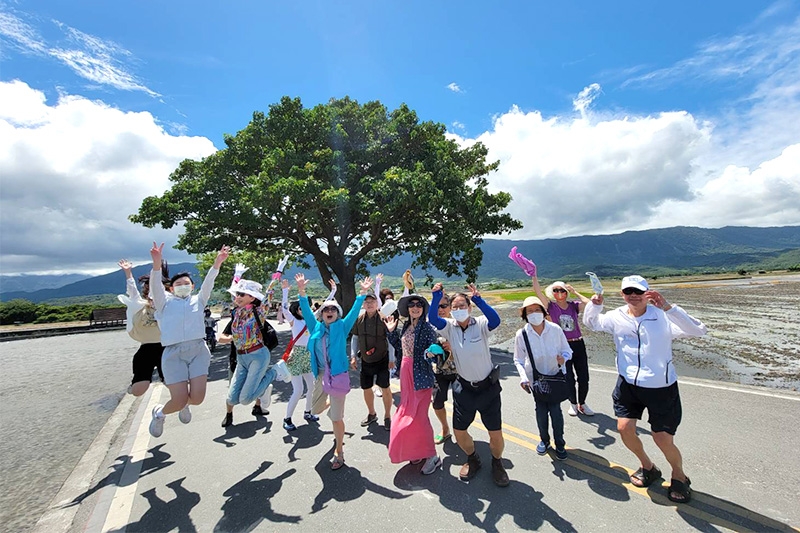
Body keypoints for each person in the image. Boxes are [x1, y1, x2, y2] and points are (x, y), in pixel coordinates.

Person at [582, 275, 708, 504]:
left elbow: (699, 330)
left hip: (661, 386)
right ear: (622, 294)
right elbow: (592, 323)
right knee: (624, 428)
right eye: (628, 291)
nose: (633, 296)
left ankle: (679, 476)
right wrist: (595, 305)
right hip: (628, 383)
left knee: (662, 439)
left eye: (638, 291)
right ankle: (648, 467)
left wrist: (669, 308)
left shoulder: (662, 317)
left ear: (648, 293)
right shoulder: (616, 316)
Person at [428, 283, 509, 487]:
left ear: (470, 307)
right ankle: (473, 458)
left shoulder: (480, 324)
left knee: (495, 433)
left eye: (461, 305)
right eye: (454, 307)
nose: (457, 309)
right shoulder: (449, 327)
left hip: (488, 389)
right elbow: (433, 319)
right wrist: (436, 297)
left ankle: (497, 463)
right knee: (459, 431)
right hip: (464, 388)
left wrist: (480, 299)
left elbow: (495, 320)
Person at [147, 242, 228, 438]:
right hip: (173, 354)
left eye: (186, 283)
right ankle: (159, 413)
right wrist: (156, 264)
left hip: (198, 350)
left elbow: (209, 283)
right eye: (178, 284)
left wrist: (218, 262)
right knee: (178, 399)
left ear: (192, 286)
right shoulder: (164, 303)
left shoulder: (198, 300)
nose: (182, 286)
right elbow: (155, 286)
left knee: (198, 399)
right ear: (171, 288)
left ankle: (184, 405)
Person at [296, 273, 372, 470]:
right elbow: (305, 311)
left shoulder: (342, 327)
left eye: (333, 309)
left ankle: (339, 451)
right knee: (314, 410)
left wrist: (362, 293)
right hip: (320, 375)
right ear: (321, 314)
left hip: (337, 376)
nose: (329, 311)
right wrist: (301, 291)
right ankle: (330, 402)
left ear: (337, 314)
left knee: (336, 418)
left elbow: (354, 312)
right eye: (326, 309)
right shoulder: (315, 328)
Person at [219, 279, 291, 420]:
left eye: (241, 294)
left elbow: (268, 297)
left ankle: (274, 372)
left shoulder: (258, 311)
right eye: (236, 294)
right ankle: (263, 387)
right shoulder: (236, 313)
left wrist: (275, 279)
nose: (237, 297)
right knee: (232, 399)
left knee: (245, 399)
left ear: (252, 297)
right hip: (241, 357)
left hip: (257, 355)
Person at [385, 294, 441, 474]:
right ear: (407, 309)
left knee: (419, 417)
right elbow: (401, 349)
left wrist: (430, 354)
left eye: (419, 305)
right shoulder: (406, 326)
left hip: (421, 376)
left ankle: (432, 455)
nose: (415, 307)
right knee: (409, 414)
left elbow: (432, 351)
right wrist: (391, 331)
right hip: (405, 372)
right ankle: (417, 451)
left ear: (424, 309)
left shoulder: (428, 328)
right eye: (412, 305)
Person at [513, 296, 573, 460]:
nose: (534, 313)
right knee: (540, 411)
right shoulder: (522, 334)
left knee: (555, 411)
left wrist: (564, 358)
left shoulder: (555, 329)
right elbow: (518, 359)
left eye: (537, 309)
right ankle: (544, 441)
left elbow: (568, 350)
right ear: (525, 314)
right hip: (536, 380)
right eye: (530, 311)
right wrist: (523, 378)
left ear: (543, 312)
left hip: (555, 377)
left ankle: (559, 443)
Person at [531, 276, 594, 417]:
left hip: (578, 343)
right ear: (552, 293)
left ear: (566, 292)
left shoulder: (573, 305)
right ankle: (573, 404)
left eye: (562, 290)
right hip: (562, 345)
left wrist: (576, 292)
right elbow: (537, 292)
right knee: (569, 377)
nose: (559, 293)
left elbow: (590, 304)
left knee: (584, 376)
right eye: (556, 290)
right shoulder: (550, 306)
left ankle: (582, 403)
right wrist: (534, 276)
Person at [117, 259, 167, 397]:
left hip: (166, 348)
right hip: (146, 349)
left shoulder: (166, 305)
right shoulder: (139, 304)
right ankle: (134, 383)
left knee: (172, 383)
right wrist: (128, 273)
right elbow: (132, 290)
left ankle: (182, 404)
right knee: (138, 390)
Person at [219, 308, 269, 428]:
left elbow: (270, 336)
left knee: (254, 386)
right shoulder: (235, 322)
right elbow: (221, 338)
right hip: (237, 358)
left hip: (256, 358)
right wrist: (234, 338)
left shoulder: (257, 320)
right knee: (232, 393)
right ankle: (229, 413)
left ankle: (258, 406)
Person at [350, 292, 394, 430]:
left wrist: (392, 359)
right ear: (363, 304)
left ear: (377, 304)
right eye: (366, 302)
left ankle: (387, 416)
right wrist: (352, 356)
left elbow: (390, 340)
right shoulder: (359, 319)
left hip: (382, 359)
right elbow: (355, 338)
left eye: (372, 302)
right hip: (366, 360)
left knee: (385, 388)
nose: (369, 304)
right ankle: (371, 413)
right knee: (366, 388)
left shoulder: (384, 319)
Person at [280, 279, 318, 431]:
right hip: (296, 357)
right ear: (296, 309)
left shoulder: (311, 319)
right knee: (298, 390)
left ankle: (308, 412)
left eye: (306, 307)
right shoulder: (293, 320)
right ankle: (287, 418)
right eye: (301, 308)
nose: (303, 309)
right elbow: (283, 309)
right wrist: (285, 291)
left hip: (308, 356)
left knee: (312, 387)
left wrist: (334, 291)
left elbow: (322, 309)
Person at [431, 293, 457, 444]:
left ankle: (461, 432)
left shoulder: (457, 324)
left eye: (444, 306)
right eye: (437, 306)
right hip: (439, 370)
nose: (440, 309)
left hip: (458, 371)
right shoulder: (431, 326)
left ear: (450, 307)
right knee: (437, 403)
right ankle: (445, 428)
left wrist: (453, 348)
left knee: (461, 405)